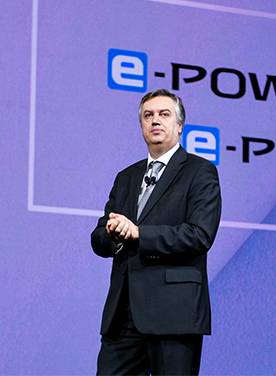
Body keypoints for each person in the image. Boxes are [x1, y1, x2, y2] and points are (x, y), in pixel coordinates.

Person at [91, 89, 221, 375]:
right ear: (141, 127)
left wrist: (139, 233)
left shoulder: (200, 172)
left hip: (173, 313)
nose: (155, 120)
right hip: (123, 315)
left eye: (164, 114)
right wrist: (114, 235)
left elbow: (199, 235)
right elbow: (98, 238)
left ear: (179, 125)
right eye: (148, 115)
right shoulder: (125, 177)